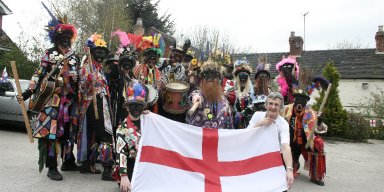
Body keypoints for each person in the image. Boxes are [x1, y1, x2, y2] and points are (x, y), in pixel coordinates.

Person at [18, 14, 80, 180]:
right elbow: (38, 74)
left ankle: (68, 161)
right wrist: (28, 92)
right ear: (56, 37)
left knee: (68, 132)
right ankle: (52, 167)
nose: (66, 40)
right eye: (62, 37)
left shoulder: (74, 57)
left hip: (69, 102)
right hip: (51, 102)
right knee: (51, 133)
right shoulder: (49, 54)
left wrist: (77, 79)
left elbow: (79, 77)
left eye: (68, 37)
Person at [77, 33, 114, 181]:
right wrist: (88, 81)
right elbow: (82, 88)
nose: (100, 56)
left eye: (102, 53)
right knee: (104, 135)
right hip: (93, 104)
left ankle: (88, 164)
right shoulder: (87, 67)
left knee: (93, 134)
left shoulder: (99, 69)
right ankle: (107, 169)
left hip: (101, 104)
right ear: (91, 53)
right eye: (97, 52)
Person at [247, 92, 294, 189]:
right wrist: (259, 124)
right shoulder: (257, 115)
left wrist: (289, 170)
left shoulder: (283, 124)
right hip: (255, 156)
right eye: (270, 103)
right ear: (266, 105)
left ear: (281, 108)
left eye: (276, 104)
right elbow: (246, 135)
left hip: (274, 160)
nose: (273, 107)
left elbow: (285, 147)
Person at [282, 88, 328, 186]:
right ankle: (294, 164)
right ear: (294, 100)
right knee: (287, 168)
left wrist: (319, 122)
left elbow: (318, 129)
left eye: (302, 100)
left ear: (306, 102)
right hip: (291, 142)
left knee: (318, 144)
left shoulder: (310, 113)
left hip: (306, 142)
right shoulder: (287, 109)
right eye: (297, 99)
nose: (299, 103)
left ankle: (315, 176)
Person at [113, 81, 148, 192]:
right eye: (133, 105)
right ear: (127, 107)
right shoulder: (121, 128)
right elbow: (121, 152)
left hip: (145, 165)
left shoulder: (147, 121)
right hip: (130, 166)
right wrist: (123, 176)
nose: (137, 109)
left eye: (140, 106)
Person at [186, 61, 233, 129]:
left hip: (219, 138)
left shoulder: (225, 102)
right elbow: (193, 96)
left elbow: (230, 126)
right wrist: (195, 98)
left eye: (213, 77)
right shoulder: (198, 95)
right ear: (202, 81)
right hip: (199, 138)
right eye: (206, 77)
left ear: (218, 81)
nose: (210, 79)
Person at [133, 48, 163, 113]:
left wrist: (157, 87)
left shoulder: (157, 71)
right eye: (150, 60)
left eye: (153, 60)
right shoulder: (139, 67)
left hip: (151, 100)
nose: (151, 62)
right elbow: (133, 80)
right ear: (146, 59)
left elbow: (158, 85)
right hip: (139, 97)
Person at [233, 60, 254, 129]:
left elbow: (253, 102)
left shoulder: (252, 89)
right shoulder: (232, 88)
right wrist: (235, 112)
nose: (243, 78)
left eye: (245, 75)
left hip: (248, 118)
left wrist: (246, 111)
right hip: (235, 118)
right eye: (241, 75)